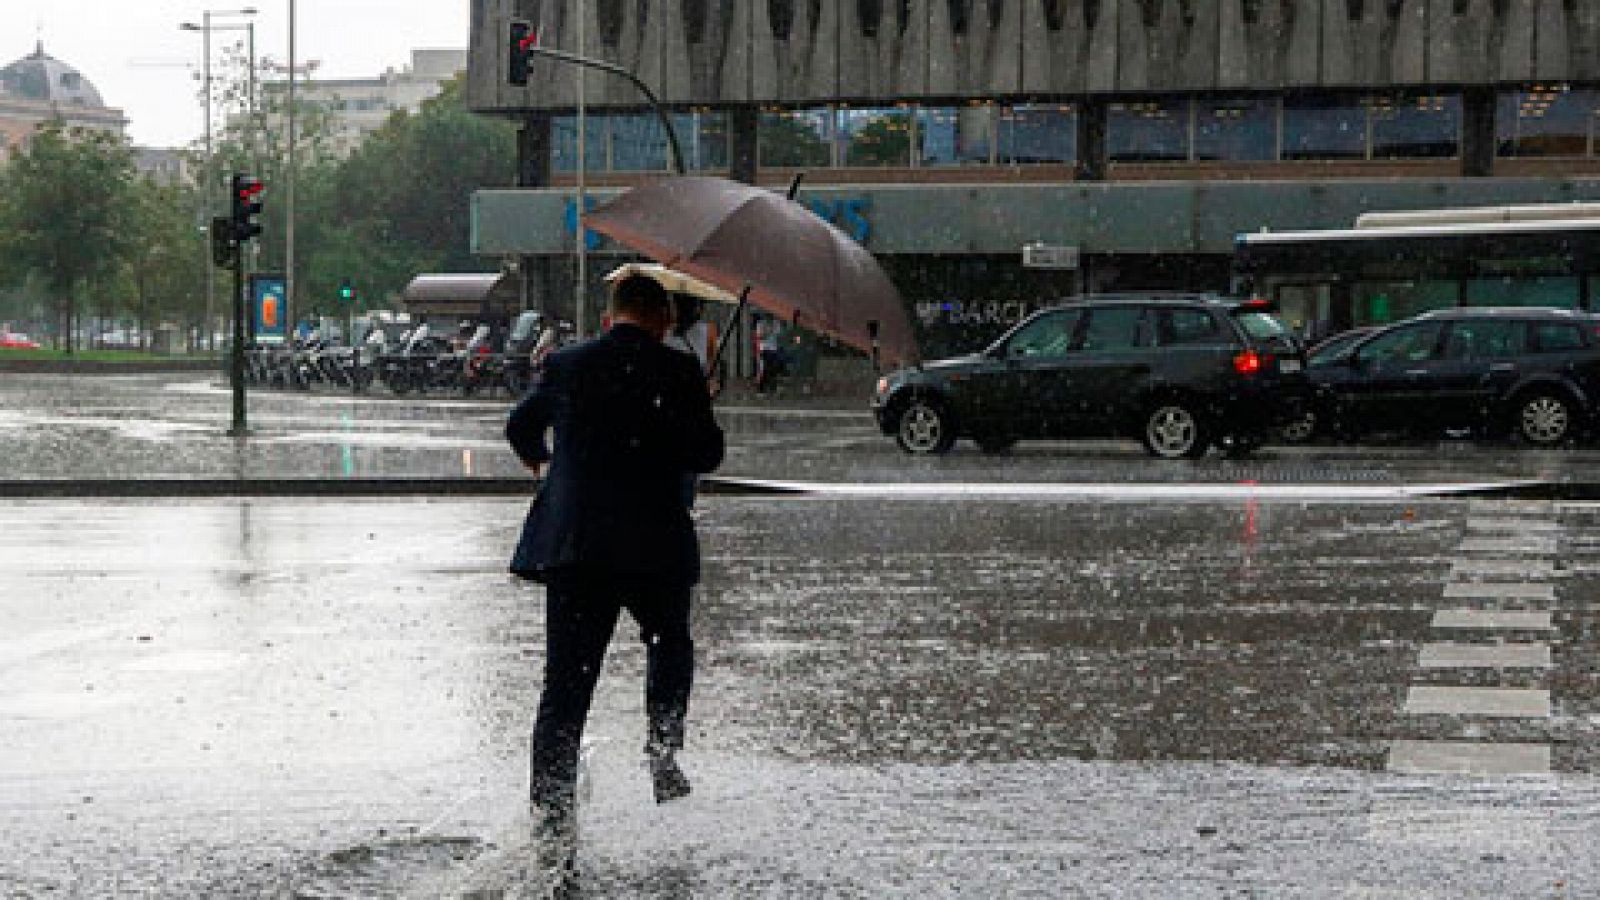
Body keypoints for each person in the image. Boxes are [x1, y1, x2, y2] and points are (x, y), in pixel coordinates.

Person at [505, 274, 725, 843]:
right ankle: (662, 745)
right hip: (654, 546)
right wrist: (699, 403)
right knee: (668, 642)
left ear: (612, 316)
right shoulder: (678, 372)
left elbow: (520, 425)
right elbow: (707, 453)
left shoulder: (567, 365)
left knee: (565, 689)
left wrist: (541, 458)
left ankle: (551, 816)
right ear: (664, 319)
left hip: (579, 548)